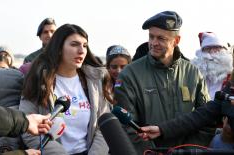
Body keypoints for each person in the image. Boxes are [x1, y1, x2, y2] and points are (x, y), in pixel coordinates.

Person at [114, 10, 213, 154]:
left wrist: (189, 151)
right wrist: (150, 153)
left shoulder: (193, 73)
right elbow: (128, 128)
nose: (154, 43)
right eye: (151, 37)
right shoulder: (129, 75)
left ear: (176, 40)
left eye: (161, 38)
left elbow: (206, 119)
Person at [19, 24, 109, 155]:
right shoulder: (38, 80)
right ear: (59, 48)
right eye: (74, 44)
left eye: (84, 45)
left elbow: (104, 125)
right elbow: (28, 130)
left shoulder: (95, 81)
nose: (82, 51)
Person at [192, 32, 233, 99]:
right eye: (208, 48)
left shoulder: (231, 75)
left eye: (217, 48)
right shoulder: (194, 74)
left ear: (224, 50)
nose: (212, 52)